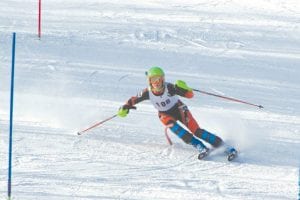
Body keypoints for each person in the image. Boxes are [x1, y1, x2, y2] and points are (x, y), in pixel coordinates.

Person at [117, 66, 237, 160]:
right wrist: (125, 107)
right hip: (165, 115)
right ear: (149, 81)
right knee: (181, 133)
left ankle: (224, 147)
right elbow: (132, 100)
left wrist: (184, 89)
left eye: (159, 79)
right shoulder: (147, 93)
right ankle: (200, 146)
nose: (157, 82)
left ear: (163, 79)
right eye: (154, 80)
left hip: (179, 110)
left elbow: (190, 95)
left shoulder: (170, 88)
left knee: (197, 131)